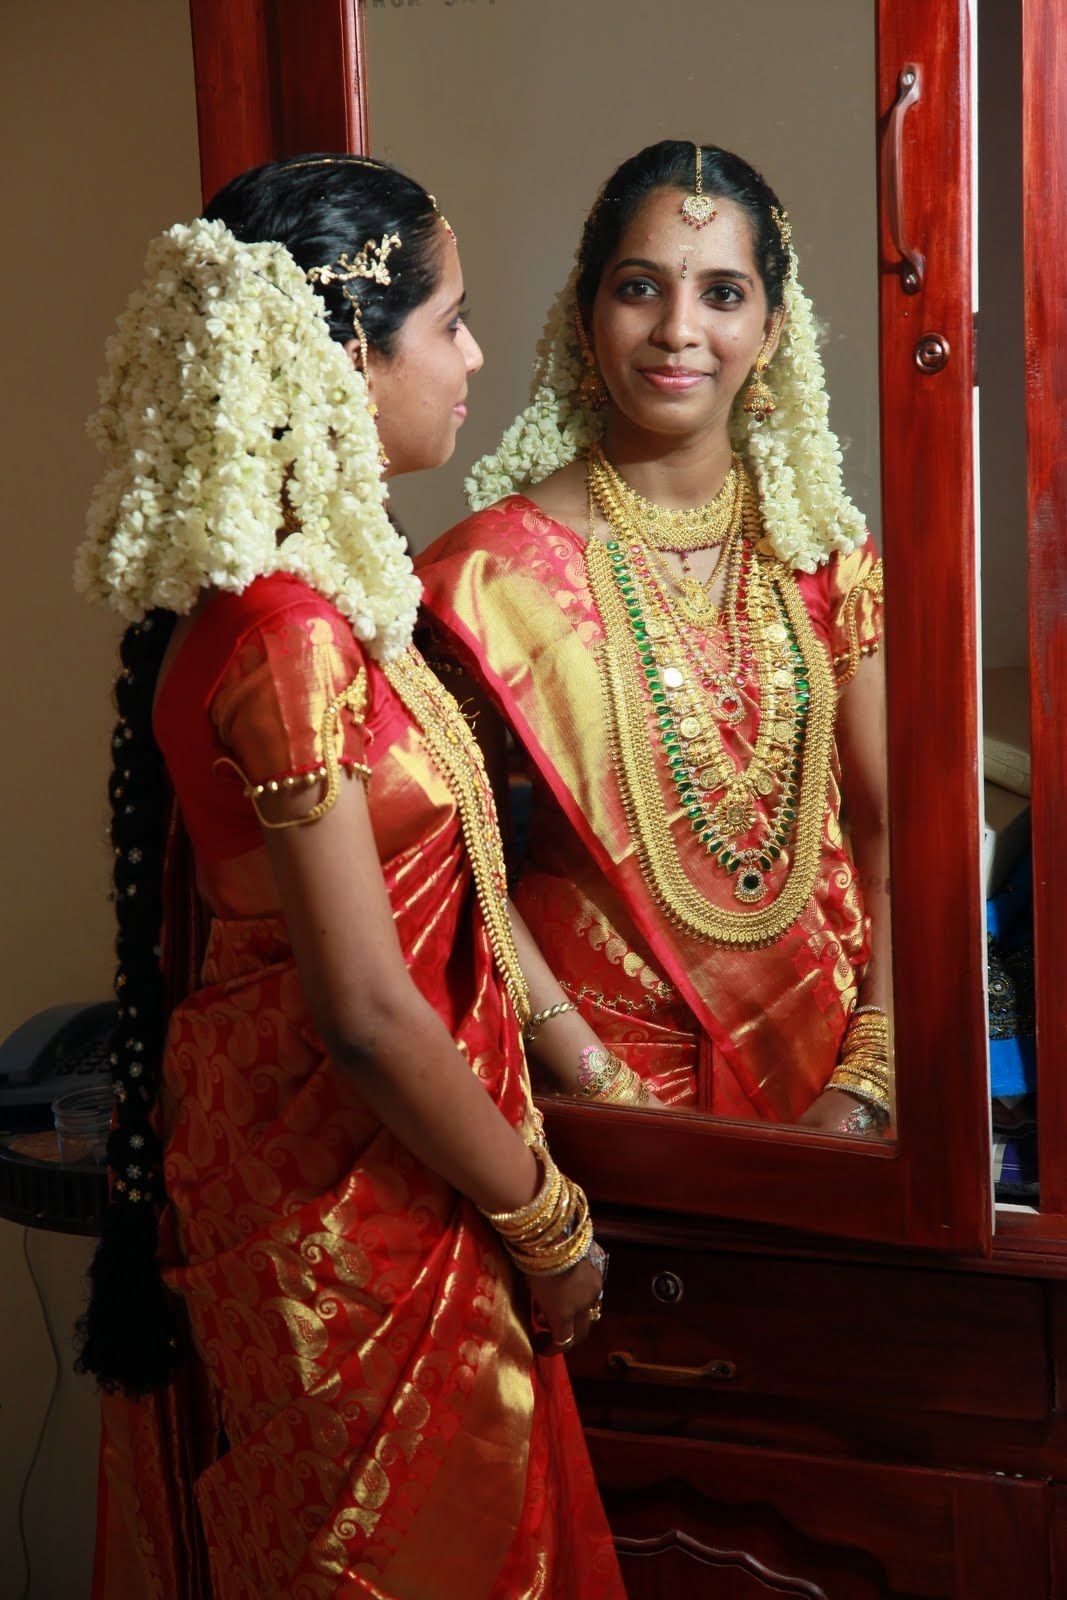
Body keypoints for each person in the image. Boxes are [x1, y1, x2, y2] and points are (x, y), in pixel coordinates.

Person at [73, 154, 624, 1600]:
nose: (475, 357)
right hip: (354, 1230)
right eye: (447, 321)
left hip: (371, 1193)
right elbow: (368, 1015)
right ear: (343, 360)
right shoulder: (286, 635)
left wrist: (570, 1063)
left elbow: (449, 880)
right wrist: (545, 1221)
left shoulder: (309, 598)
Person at [417, 141, 890, 1132]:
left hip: (831, 1087)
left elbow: (894, 832)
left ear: (768, 329)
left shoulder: (825, 558)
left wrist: (871, 1074)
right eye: (639, 288)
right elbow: (457, 873)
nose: (678, 330)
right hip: (592, 1098)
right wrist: (593, 1079)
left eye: (723, 294)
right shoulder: (485, 577)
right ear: (586, 316)